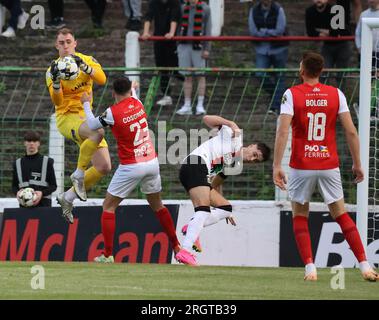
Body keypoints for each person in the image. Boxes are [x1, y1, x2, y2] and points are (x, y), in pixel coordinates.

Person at [272, 51, 379, 282]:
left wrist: (276, 165)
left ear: (302, 70)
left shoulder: (291, 94)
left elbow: (282, 131)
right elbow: (351, 131)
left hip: (302, 164)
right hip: (329, 162)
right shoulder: (335, 94)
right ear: (321, 71)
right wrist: (358, 163)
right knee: (340, 214)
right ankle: (364, 265)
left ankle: (310, 268)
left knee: (300, 215)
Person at [81, 77, 181, 263]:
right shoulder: (137, 103)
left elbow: (92, 124)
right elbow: (133, 95)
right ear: (130, 90)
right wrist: (134, 87)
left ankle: (108, 254)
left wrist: (86, 104)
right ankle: (176, 245)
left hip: (131, 165)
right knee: (158, 205)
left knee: (108, 207)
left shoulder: (112, 112)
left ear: (113, 93)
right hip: (151, 161)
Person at [176, 115, 271, 265]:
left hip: (197, 172)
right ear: (252, 145)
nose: (252, 159)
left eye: (256, 160)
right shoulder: (235, 137)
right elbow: (206, 119)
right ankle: (185, 250)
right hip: (195, 164)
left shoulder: (234, 164)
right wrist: (229, 123)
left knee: (226, 208)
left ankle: (192, 227)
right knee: (203, 211)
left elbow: (215, 184)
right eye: (255, 154)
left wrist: (220, 209)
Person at [46, 28, 111, 223]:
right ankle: (79, 173)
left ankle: (67, 197)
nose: (65, 46)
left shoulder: (86, 60)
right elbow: (57, 102)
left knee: (104, 166)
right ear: (56, 46)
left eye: (68, 41)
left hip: (85, 116)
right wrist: (57, 82)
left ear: (75, 43)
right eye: (61, 43)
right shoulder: (52, 71)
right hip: (67, 118)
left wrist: (85, 67)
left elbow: (102, 79)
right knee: (97, 132)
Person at [248, 0, 289, 115]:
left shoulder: (279, 9)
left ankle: (275, 107)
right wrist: (270, 33)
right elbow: (253, 31)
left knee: (280, 76)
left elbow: (280, 30)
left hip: (279, 48)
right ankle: (278, 94)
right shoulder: (254, 10)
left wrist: (264, 32)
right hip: (262, 49)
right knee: (259, 74)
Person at [141, 0, 182, 107]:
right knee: (161, 67)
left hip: (173, 40)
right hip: (159, 39)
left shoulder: (175, 3)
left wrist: (172, 33)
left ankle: (190, 89)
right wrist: (146, 32)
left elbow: (174, 18)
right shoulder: (154, 2)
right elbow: (148, 17)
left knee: (175, 69)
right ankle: (166, 95)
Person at [176, 0, 212, 116]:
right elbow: (179, 26)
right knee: (187, 76)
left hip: (199, 45)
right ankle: (187, 105)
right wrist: (178, 44)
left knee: (200, 75)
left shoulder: (205, 8)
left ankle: (200, 105)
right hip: (184, 44)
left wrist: (207, 48)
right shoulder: (182, 8)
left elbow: (208, 29)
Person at [12, 131, 57, 208]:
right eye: (29, 141)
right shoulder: (17, 163)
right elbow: (14, 186)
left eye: (35, 141)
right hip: (24, 207)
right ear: (25, 143)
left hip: (44, 206)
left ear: (39, 143)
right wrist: (17, 192)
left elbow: (53, 186)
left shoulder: (47, 162)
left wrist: (41, 193)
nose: (31, 143)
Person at [305, 0, 351, 70]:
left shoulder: (335, 10)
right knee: (324, 72)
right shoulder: (309, 11)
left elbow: (337, 32)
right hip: (327, 45)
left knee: (341, 74)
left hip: (342, 45)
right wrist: (327, 32)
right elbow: (310, 32)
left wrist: (319, 31)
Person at [355, 0, 379, 120]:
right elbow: (357, 33)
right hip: (366, 55)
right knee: (366, 80)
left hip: (378, 54)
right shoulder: (364, 14)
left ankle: (375, 110)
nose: (371, 0)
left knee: (377, 82)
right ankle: (363, 108)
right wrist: (360, 48)